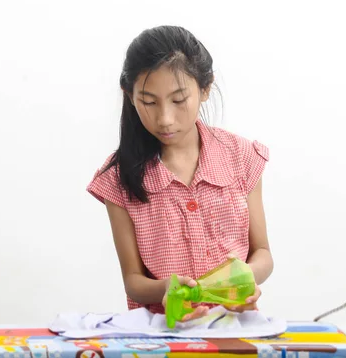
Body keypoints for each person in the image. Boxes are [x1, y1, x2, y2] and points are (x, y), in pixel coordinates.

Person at [87, 25, 273, 322]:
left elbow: (262, 251)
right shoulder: (119, 178)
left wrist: (245, 279)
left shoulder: (240, 157)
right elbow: (133, 281)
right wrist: (167, 289)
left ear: (205, 88)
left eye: (178, 100)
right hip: (160, 334)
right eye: (148, 102)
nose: (165, 118)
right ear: (129, 95)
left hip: (234, 327)